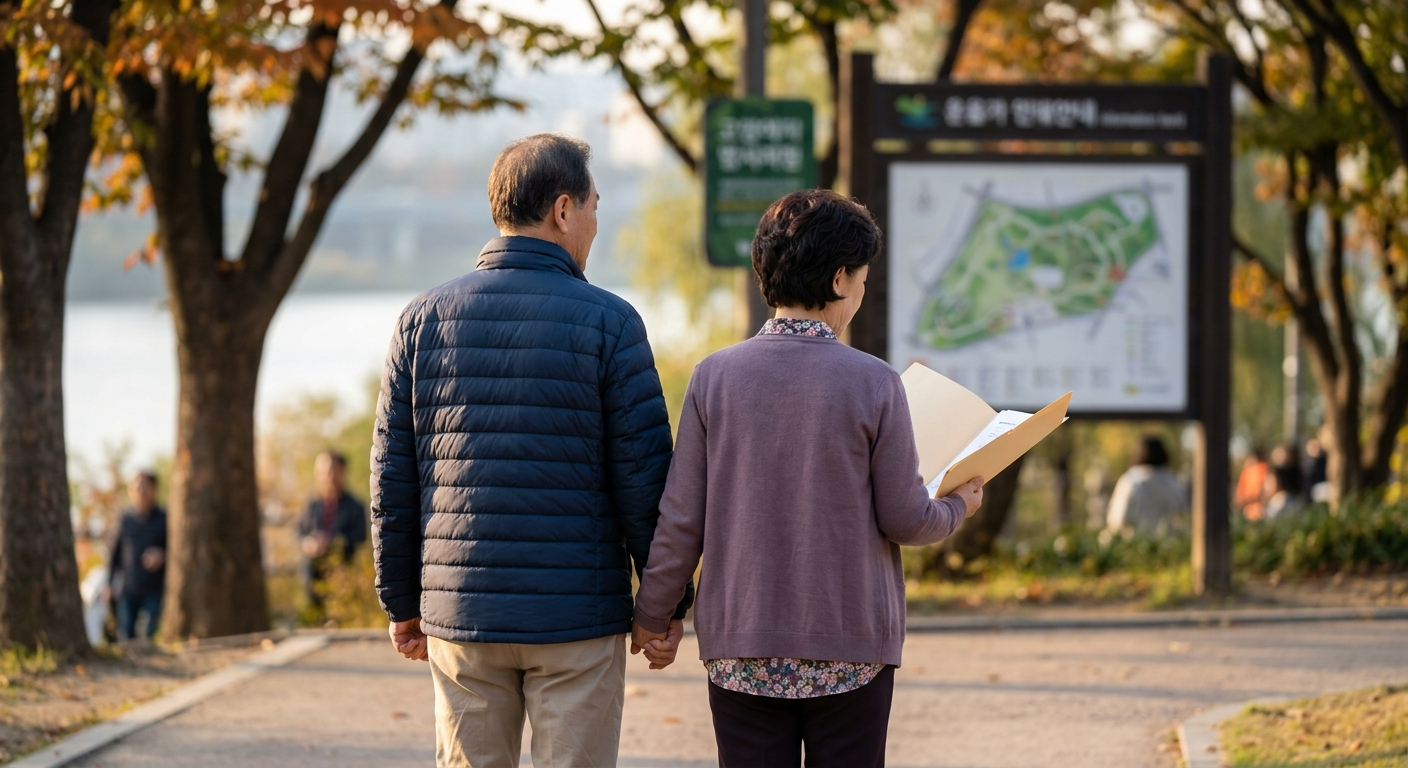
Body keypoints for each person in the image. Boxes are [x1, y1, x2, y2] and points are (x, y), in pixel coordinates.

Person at [631, 189, 984, 768]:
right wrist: (957, 505)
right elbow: (905, 518)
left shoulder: (714, 378)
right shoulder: (873, 383)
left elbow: (681, 519)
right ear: (841, 278)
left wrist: (654, 617)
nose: (861, 295)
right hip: (850, 648)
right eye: (863, 281)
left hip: (741, 648)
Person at [371, 133, 691, 767]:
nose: (597, 223)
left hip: (462, 615)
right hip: (579, 617)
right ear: (563, 209)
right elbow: (645, 479)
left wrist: (402, 601)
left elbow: (394, 478)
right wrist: (662, 608)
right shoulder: (611, 323)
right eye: (595, 205)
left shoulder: (422, 320)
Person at [297, 450, 368, 606]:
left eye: (331, 470)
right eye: (321, 471)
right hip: (313, 579)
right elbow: (300, 532)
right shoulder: (312, 505)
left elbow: (359, 537)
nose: (327, 476)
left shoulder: (355, 506)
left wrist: (331, 543)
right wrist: (308, 543)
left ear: (343, 472)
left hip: (344, 578)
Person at [107, 471, 167, 641]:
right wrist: (109, 583)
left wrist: (162, 556)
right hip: (129, 587)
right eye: (137, 487)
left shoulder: (164, 518)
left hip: (155, 588)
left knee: (151, 632)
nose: (141, 491)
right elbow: (115, 554)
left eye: (145, 486)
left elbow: (177, 551)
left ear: (154, 489)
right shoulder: (124, 519)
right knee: (126, 635)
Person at [1104, 436, 1187, 536]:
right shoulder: (1173, 482)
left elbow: (1118, 520)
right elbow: (1182, 516)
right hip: (1169, 547)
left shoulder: (1131, 480)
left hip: (1135, 547)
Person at [1234, 447, 1269, 521]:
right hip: (1249, 509)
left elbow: (1260, 492)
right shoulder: (1247, 472)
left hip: (1260, 508)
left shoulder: (1262, 468)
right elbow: (1239, 496)